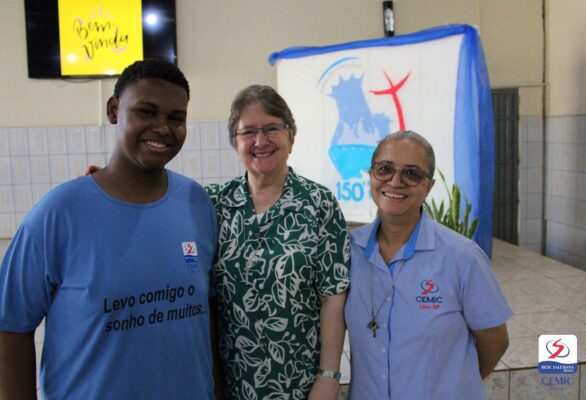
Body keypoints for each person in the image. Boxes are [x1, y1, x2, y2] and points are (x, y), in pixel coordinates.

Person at [0, 59, 219, 399]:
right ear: (114, 110)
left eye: (176, 118)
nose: (162, 127)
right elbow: (10, 326)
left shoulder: (196, 203)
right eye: (146, 112)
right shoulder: (59, 213)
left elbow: (207, 315)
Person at [206, 85, 350, 400]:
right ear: (234, 142)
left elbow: (333, 297)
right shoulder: (214, 205)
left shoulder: (319, 204)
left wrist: (328, 378)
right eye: (248, 132)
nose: (260, 141)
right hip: (230, 384)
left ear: (291, 137)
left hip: (301, 384)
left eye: (272, 128)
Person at [345, 130, 511, 399]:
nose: (395, 181)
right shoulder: (349, 251)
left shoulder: (462, 257)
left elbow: (495, 340)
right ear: (371, 175)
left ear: (429, 186)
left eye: (411, 173)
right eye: (384, 169)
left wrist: (450, 385)